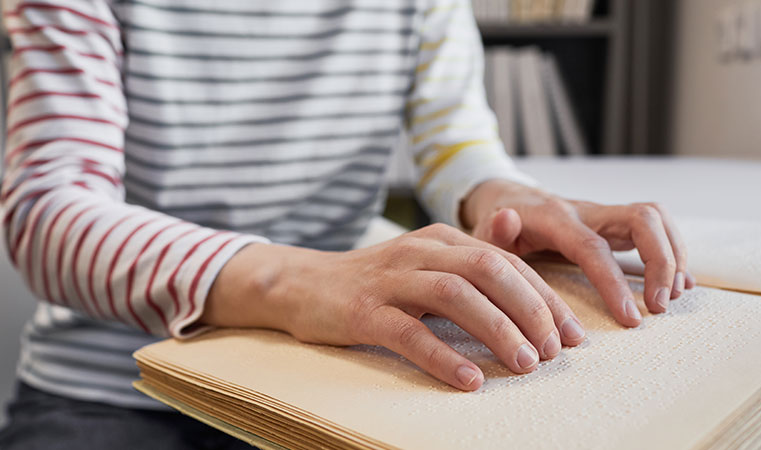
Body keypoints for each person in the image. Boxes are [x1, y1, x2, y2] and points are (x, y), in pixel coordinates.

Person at [0, 0, 693, 448]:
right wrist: (299, 280)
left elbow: (457, 142)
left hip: (331, 377)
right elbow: (49, 214)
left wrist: (505, 198)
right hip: (108, 389)